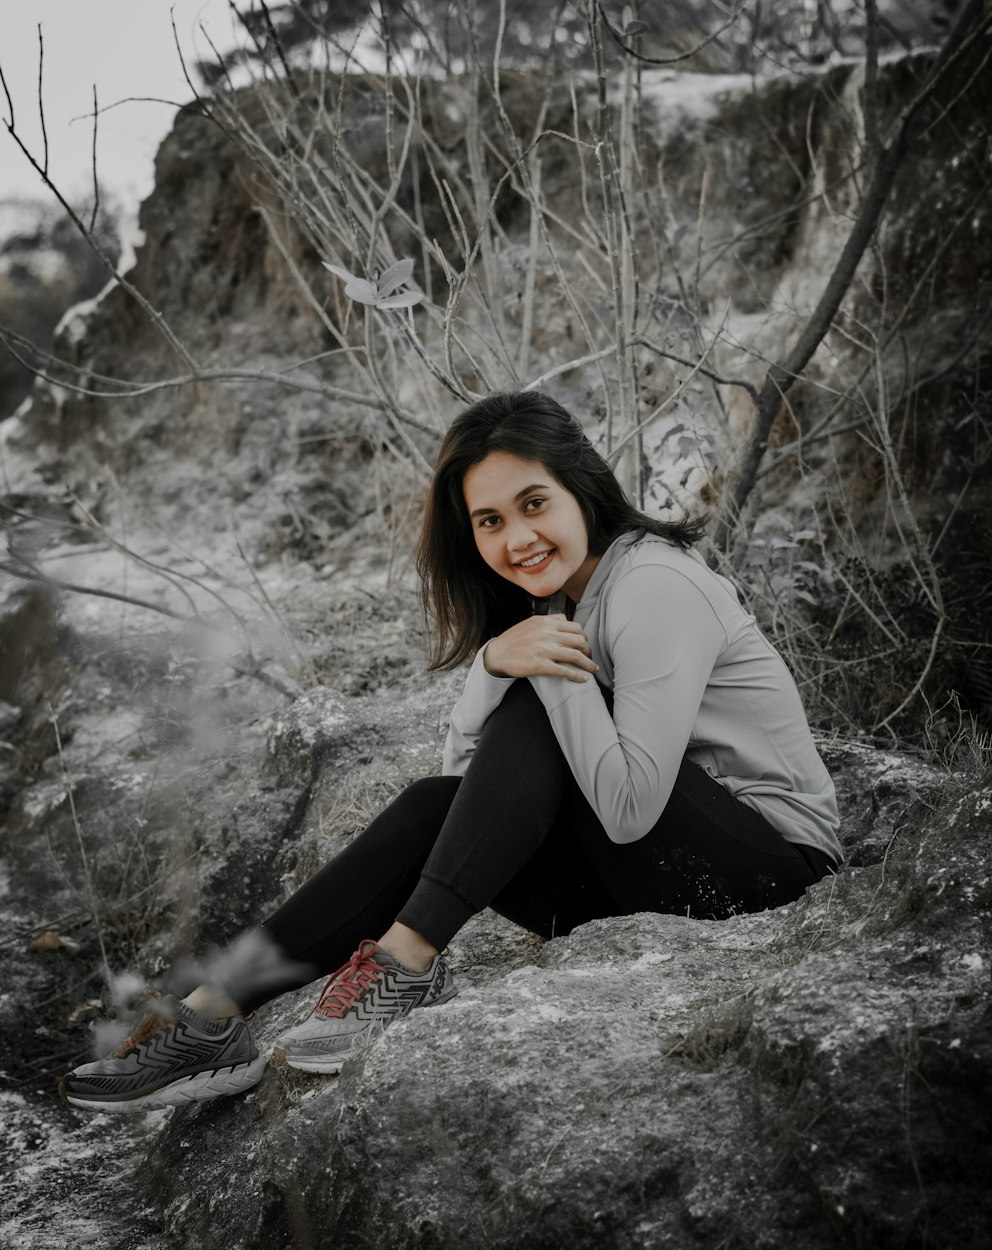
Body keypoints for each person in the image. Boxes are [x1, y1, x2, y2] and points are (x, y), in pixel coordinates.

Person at [60, 390, 842, 1112]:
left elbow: (632, 809)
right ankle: (211, 1017)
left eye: (534, 503)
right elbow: (469, 786)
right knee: (430, 808)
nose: (518, 537)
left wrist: (545, 672)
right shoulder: (565, 601)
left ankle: (402, 967)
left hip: (768, 872)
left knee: (543, 692)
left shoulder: (654, 587)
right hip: (647, 878)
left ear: (583, 489)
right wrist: (494, 662)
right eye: (490, 520)